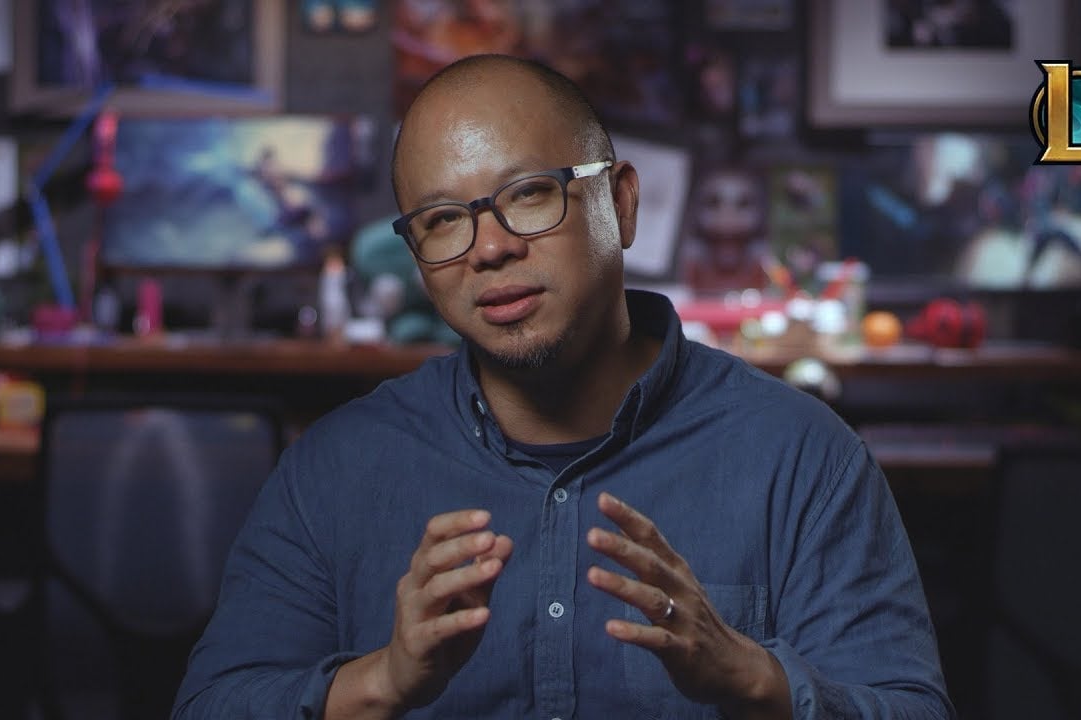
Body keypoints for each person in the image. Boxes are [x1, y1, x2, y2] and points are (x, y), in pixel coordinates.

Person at [172, 54, 954, 720]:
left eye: (528, 194)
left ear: (622, 204)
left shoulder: (802, 458)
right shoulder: (336, 469)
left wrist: (753, 679)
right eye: (442, 219)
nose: (488, 249)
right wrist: (382, 682)